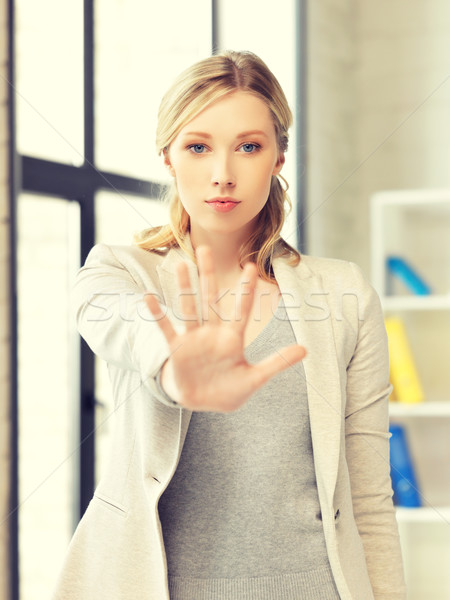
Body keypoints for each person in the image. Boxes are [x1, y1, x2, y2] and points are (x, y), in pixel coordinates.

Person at [53, 51, 407, 599]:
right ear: (167, 157)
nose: (222, 174)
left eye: (248, 146)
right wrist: (175, 369)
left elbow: (368, 498)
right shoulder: (118, 272)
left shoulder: (343, 294)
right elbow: (119, 322)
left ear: (279, 157)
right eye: (198, 147)